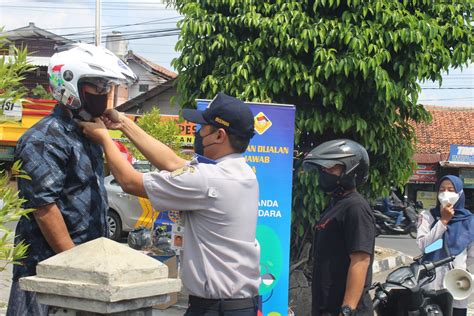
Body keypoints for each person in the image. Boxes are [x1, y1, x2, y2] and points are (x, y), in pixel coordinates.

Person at [79, 92, 260, 315]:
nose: (198, 132)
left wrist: (105, 139)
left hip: (217, 309)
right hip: (237, 306)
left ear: (219, 135)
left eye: (203, 127)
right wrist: (123, 123)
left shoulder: (209, 179)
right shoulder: (240, 173)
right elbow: (172, 162)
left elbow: (129, 182)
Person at [6, 43, 136, 316]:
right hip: (50, 275)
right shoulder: (44, 139)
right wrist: (74, 266)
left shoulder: (88, 132)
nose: (105, 94)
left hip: (84, 269)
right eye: (98, 87)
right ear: (70, 87)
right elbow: (45, 209)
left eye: (107, 88)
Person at [302, 139, 375, 316]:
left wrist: (347, 309)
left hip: (345, 310)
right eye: (323, 169)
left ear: (350, 170)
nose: (325, 172)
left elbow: (360, 260)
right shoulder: (335, 206)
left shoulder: (355, 208)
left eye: (331, 167)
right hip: (326, 307)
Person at [416, 175, 474, 316]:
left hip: (457, 286)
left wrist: (465, 272)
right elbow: (424, 245)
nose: (445, 193)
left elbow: (471, 256)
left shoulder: (469, 222)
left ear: (460, 194)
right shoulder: (428, 216)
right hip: (430, 284)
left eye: (450, 189)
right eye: (442, 189)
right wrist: (443, 221)